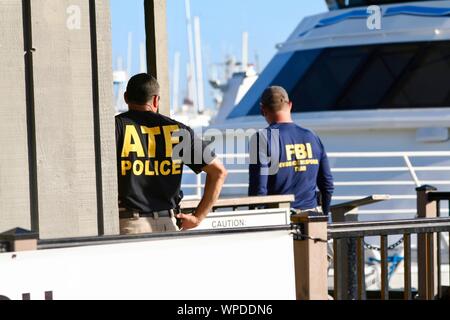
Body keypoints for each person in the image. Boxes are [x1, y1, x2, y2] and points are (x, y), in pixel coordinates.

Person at [116, 73, 227, 234]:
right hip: (168, 224)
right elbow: (219, 172)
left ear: (126, 97)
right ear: (155, 100)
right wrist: (197, 217)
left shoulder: (115, 128)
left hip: (130, 226)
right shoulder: (177, 130)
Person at [248, 86, 334, 215]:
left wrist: (257, 220)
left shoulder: (261, 139)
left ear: (262, 109)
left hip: (280, 221)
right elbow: (327, 185)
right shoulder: (312, 136)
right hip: (312, 218)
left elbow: (259, 190)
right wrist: (323, 216)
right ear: (290, 105)